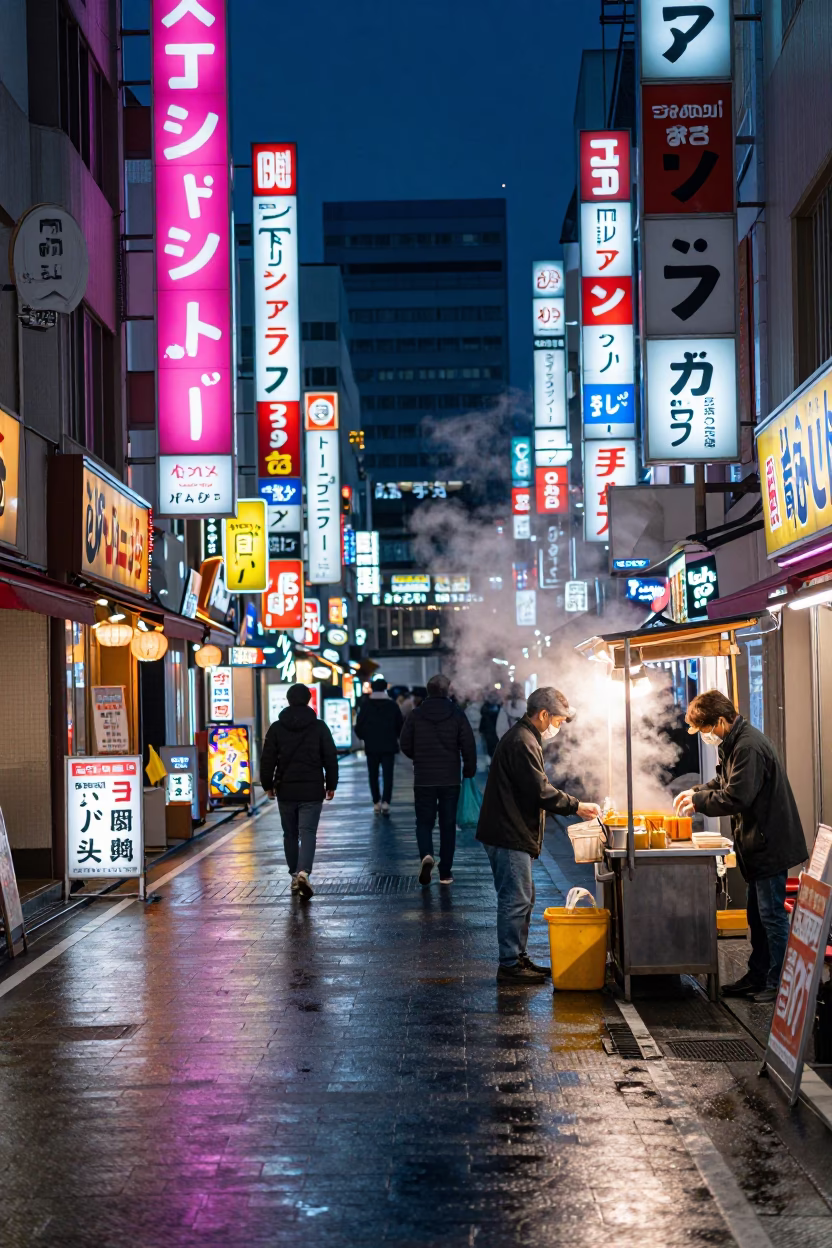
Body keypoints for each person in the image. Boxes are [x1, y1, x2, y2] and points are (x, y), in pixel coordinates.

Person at [675, 689, 807, 1003]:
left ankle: (779, 984)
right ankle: (757, 975)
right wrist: (695, 791)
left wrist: (697, 802)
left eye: (706, 729)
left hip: (769, 844)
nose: (706, 735)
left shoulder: (748, 746)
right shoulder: (734, 743)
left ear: (721, 720)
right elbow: (723, 782)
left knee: (772, 916)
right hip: (756, 845)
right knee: (757, 917)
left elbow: (737, 797)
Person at [476, 687, 601, 985]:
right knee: (515, 899)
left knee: (524, 897)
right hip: (508, 832)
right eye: (557, 720)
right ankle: (509, 963)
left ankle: (518, 957)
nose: (558, 727)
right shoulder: (522, 741)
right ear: (543, 715)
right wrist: (577, 806)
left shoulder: (524, 737)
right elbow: (539, 790)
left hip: (510, 829)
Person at [260, 682, 338, 900]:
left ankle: (295, 876)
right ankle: (304, 871)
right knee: (308, 832)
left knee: (290, 834)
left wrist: (267, 785)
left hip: (286, 788)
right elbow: (329, 757)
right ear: (308, 700)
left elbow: (268, 759)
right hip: (312, 788)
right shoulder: (319, 726)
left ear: (288, 700)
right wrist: (331, 784)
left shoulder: (276, 727)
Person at [400, 672, 477, 886]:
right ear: (447, 691)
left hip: (423, 778)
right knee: (447, 824)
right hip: (450, 779)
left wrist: (419, 758)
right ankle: (445, 872)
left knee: (424, 822)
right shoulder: (456, 714)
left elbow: (404, 743)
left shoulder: (416, 714)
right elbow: (468, 744)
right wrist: (469, 770)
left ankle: (426, 854)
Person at [356, 678, 404, 815]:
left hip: (371, 746)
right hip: (389, 746)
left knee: (373, 774)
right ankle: (386, 802)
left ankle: (376, 801)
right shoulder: (392, 705)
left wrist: (365, 738)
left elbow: (359, 726)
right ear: (385, 689)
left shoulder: (365, 705)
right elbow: (400, 725)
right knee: (388, 775)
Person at [479, 693, 501, 761]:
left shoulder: (485, 708)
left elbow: (483, 721)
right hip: (496, 731)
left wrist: (481, 730)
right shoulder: (500, 709)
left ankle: (490, 762)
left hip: (488, 732)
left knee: (489, 749)